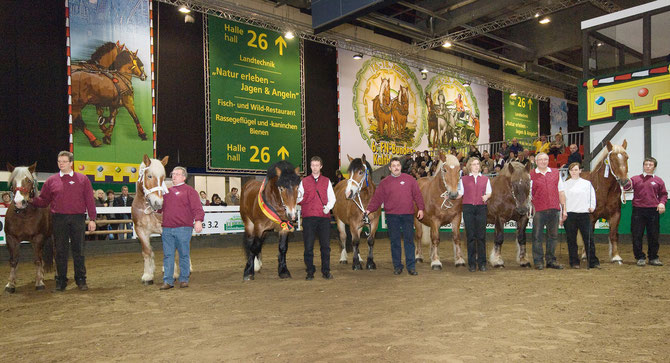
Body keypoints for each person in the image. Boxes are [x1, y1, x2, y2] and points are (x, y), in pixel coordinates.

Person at [30, 151, 97, 291]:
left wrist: (92, 218)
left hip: (77, 218)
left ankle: (81, 280)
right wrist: (29, 201)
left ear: (71, 163)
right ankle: (61, 281)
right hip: (58, 219)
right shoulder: (51, 181)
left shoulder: (82, 179)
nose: (61, 163)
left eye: (64, 161)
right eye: (59, 161)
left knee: (78, 250)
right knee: (60, 251)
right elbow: (44, 200)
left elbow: (89, 200)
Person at [365, 157, 425, 275]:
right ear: (390, 168)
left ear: (400, 167)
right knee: (395, 242)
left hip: (408, 215)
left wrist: (421, 208)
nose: (396, 167)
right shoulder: (384, 183)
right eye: (394, 166)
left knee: (409, 241)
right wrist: (368, 210)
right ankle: (397, 266)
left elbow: (417, 195)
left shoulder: (410, 180)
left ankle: (411, 267)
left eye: (398, 165)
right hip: (392, 216)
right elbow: (377, 199)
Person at [160, 166, 204, 290]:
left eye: (177, 174)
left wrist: (198, 220)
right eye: (173, 173)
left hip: (183, 228)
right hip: (167, 228)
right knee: (168, 255)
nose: (174, 176)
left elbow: (197, 208)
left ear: (183, 177)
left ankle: (184, 279)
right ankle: (168, 281)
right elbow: (159, 208)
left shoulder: (190, 191)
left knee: (184, 254)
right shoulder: (166, 192)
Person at [623, 157, 667, 266]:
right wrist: (624, 181)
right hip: (638, 210)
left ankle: (653, 257)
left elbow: (664, 194)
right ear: (643, 166)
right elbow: (627, 187)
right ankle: (640, 257)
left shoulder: (659, 181)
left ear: (654, 167)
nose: (648, 166)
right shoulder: (635, 179)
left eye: (650, 164)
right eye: (646, 164)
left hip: (653, 210)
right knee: (637, 235)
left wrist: (662, 203)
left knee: (654, 235)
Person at [297, 156, 336, 280]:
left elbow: (333, 198)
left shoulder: (327, 181)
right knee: (308, 247)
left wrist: (328, 207)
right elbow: (298, 198)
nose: (314, 167)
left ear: (321, 166)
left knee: (325, 247)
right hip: (308, 218)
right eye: (313, 165)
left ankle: (326, 271)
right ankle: (310, 271)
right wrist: (304, 197)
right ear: (310, 166)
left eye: (317, 165)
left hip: (324, 218)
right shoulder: (303, 182)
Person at [530, 152, 567, 270]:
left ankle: (551, 260)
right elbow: (529, 194)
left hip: (554, 209)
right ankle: (538, 261)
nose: (543, 161)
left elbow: (561, 192)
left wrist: (564, 209)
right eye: (540, 160)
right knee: (537, 236)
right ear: (536, 162)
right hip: (538, 210)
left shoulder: (556, 173)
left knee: (553, 236)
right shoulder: (531, 175)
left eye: (545, 159)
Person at [458, 157, 492, 272]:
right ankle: (472, 263)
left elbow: (489, 192)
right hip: (468, 208)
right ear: (469, 166)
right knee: (471, 236)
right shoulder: (463, 179)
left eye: (478, 164)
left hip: (481, 208)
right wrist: (450, 195)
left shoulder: (485, 179)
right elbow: (460, 193)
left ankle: (482, 263)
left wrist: (486, 196)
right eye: (473, 164)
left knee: (481, 236)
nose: (476, 166)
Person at [562, 162, 598, 269]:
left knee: (589, 238)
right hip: (570, 215)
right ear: (569, 171)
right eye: (572, 170)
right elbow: (562, 201)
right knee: (571, 240)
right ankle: (574, 262)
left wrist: (592, 207)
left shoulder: (587, 183)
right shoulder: (565, 184)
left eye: (576, 170)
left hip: (584, 214)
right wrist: (563, 212)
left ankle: (593, 262)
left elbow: (592, 197)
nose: (574, 172)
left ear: (580, 171)